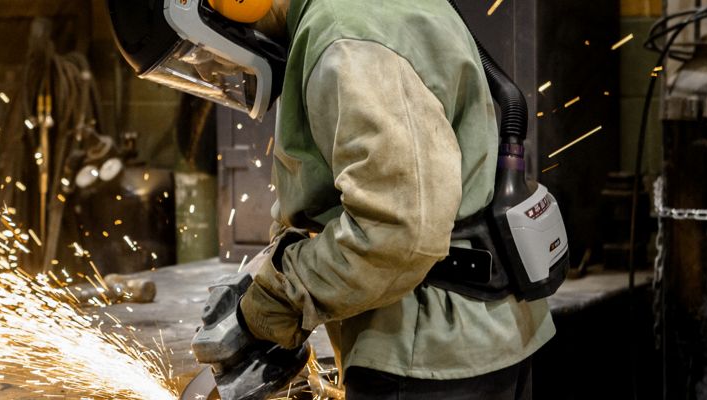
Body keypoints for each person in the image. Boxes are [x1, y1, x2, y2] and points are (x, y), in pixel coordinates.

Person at [108, 0, 555, 398]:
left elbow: (397, 232)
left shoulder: (343, 37)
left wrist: (274, 302)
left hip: (425, 355)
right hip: (482, 334)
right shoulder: (351, 16)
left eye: (200, 52)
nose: (210, 71)